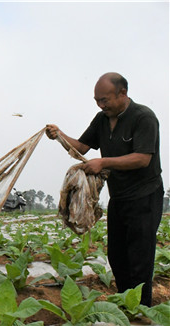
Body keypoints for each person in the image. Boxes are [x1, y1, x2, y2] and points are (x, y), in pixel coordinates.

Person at [45, 72, 163, 306]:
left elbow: (142, 158)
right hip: (119, 197)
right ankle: (126, 301)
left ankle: (142, 308)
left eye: (105, 100)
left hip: (144, 197)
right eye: (97, 100)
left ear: (122, 93)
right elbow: (81, 146)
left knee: (139, 257)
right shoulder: (101, 119)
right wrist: (59, 135)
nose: (101, 105)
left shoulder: (143, 117)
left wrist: (104, 162)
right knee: (117, 256)